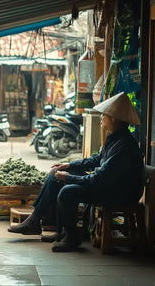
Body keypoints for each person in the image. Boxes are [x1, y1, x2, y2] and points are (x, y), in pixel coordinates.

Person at [8, 92, 144, 252]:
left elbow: (99, 178)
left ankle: (72, 238)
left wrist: (69, 177)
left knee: (67, 192)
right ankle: (42, 224)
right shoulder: (113, 137)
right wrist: (69, 166)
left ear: (113, 118)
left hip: (119, 192)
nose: (101, 118)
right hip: (106, 184)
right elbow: (95, 160)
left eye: (104, 115)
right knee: (54, 176)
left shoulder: (124, 145)